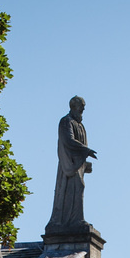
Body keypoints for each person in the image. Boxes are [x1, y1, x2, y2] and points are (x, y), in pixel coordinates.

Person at [45, 96, 97, 235]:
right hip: (69, 165)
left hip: (78, 165)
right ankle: (70, 221)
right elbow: (68, 141)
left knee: (78, 188)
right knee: (74, 188)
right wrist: (86, 150)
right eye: (81, 106)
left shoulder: (80, 125)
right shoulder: (66, 121)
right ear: (74, 106)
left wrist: (84, 162)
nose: (83, 109)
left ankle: (76, 219)